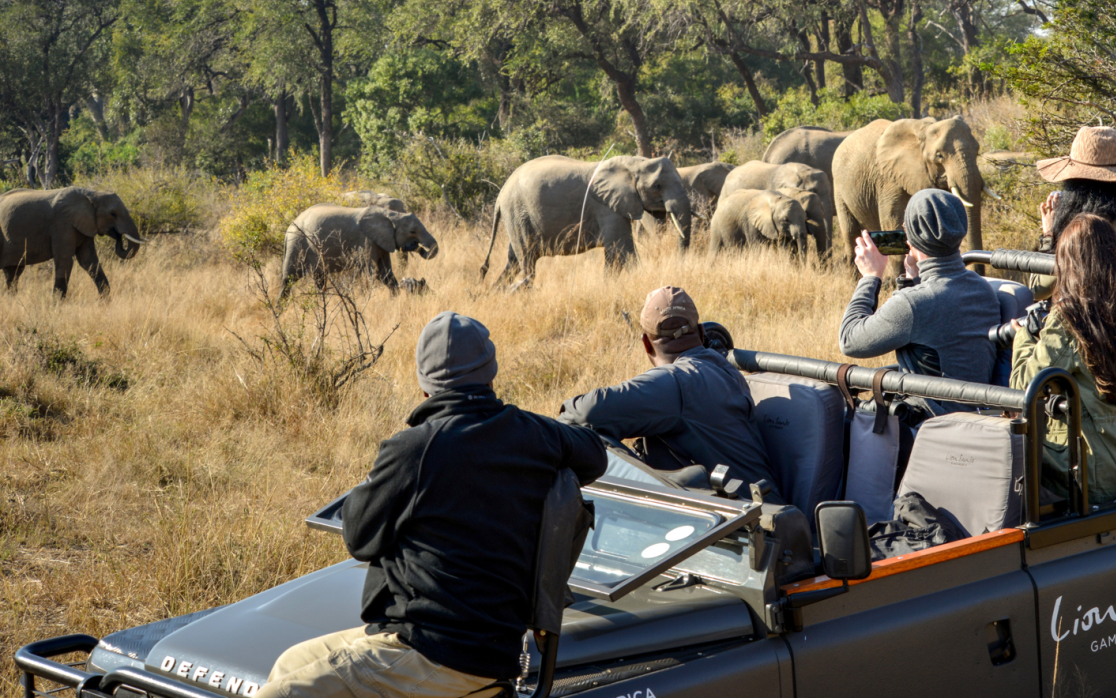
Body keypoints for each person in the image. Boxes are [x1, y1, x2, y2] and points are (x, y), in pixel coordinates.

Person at [257, 311, 609, 698]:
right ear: (491, 375)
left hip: (431, 652)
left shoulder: (414, 449)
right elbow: (594, 454)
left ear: (425, 387)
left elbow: (358, 537)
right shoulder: (536, 435)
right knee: (292, 661)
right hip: (482, 649)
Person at [559, 286, 780, 501]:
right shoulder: (723, 370)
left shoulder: (679, 383)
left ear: (647, 344)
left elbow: (582, 414)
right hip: (763, 515)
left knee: (586, 438)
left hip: (744, 527)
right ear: (702, 333)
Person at [1010, 215, 1116, 505]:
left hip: (1088, 478)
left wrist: (1023, 338)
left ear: (1067, 263)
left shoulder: (1070, 318)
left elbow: (1023, 387)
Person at [840, 189, 1002, 413]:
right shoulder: (981, 288)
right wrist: (911, 278)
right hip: (972, 418)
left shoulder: (915, 304)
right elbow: (931, 333)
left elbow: (850, 340)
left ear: (910, 234)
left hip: (930, 426)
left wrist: (870, 277)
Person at [1026, 126, 1116, 300]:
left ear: (1075, 184)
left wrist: (1049, 234)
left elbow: (1038, 290)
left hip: (1086, 316)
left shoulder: (1083, 229)